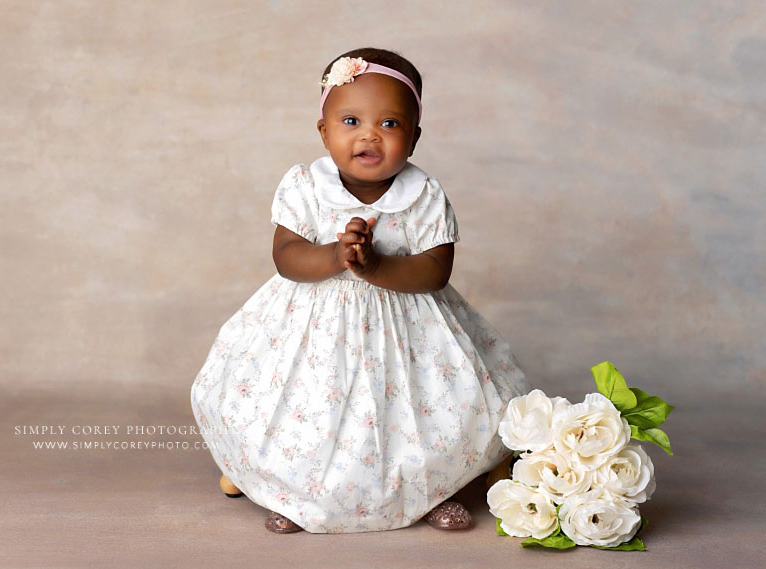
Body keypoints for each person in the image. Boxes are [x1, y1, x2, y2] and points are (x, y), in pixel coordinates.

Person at [191, 47, 529, 534]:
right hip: (313, 325)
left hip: (408, 328)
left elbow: (435, 271)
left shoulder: (425, 195)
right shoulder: (305, 186)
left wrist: (374, 266)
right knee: (302, 408)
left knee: (426, 412)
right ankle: (289, 491)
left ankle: (431, 489)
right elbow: (286, 256)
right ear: (324, 131)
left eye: (390, 124)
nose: (369, 134)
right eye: (350, 120)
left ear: (414, 138)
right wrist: (334, 256)